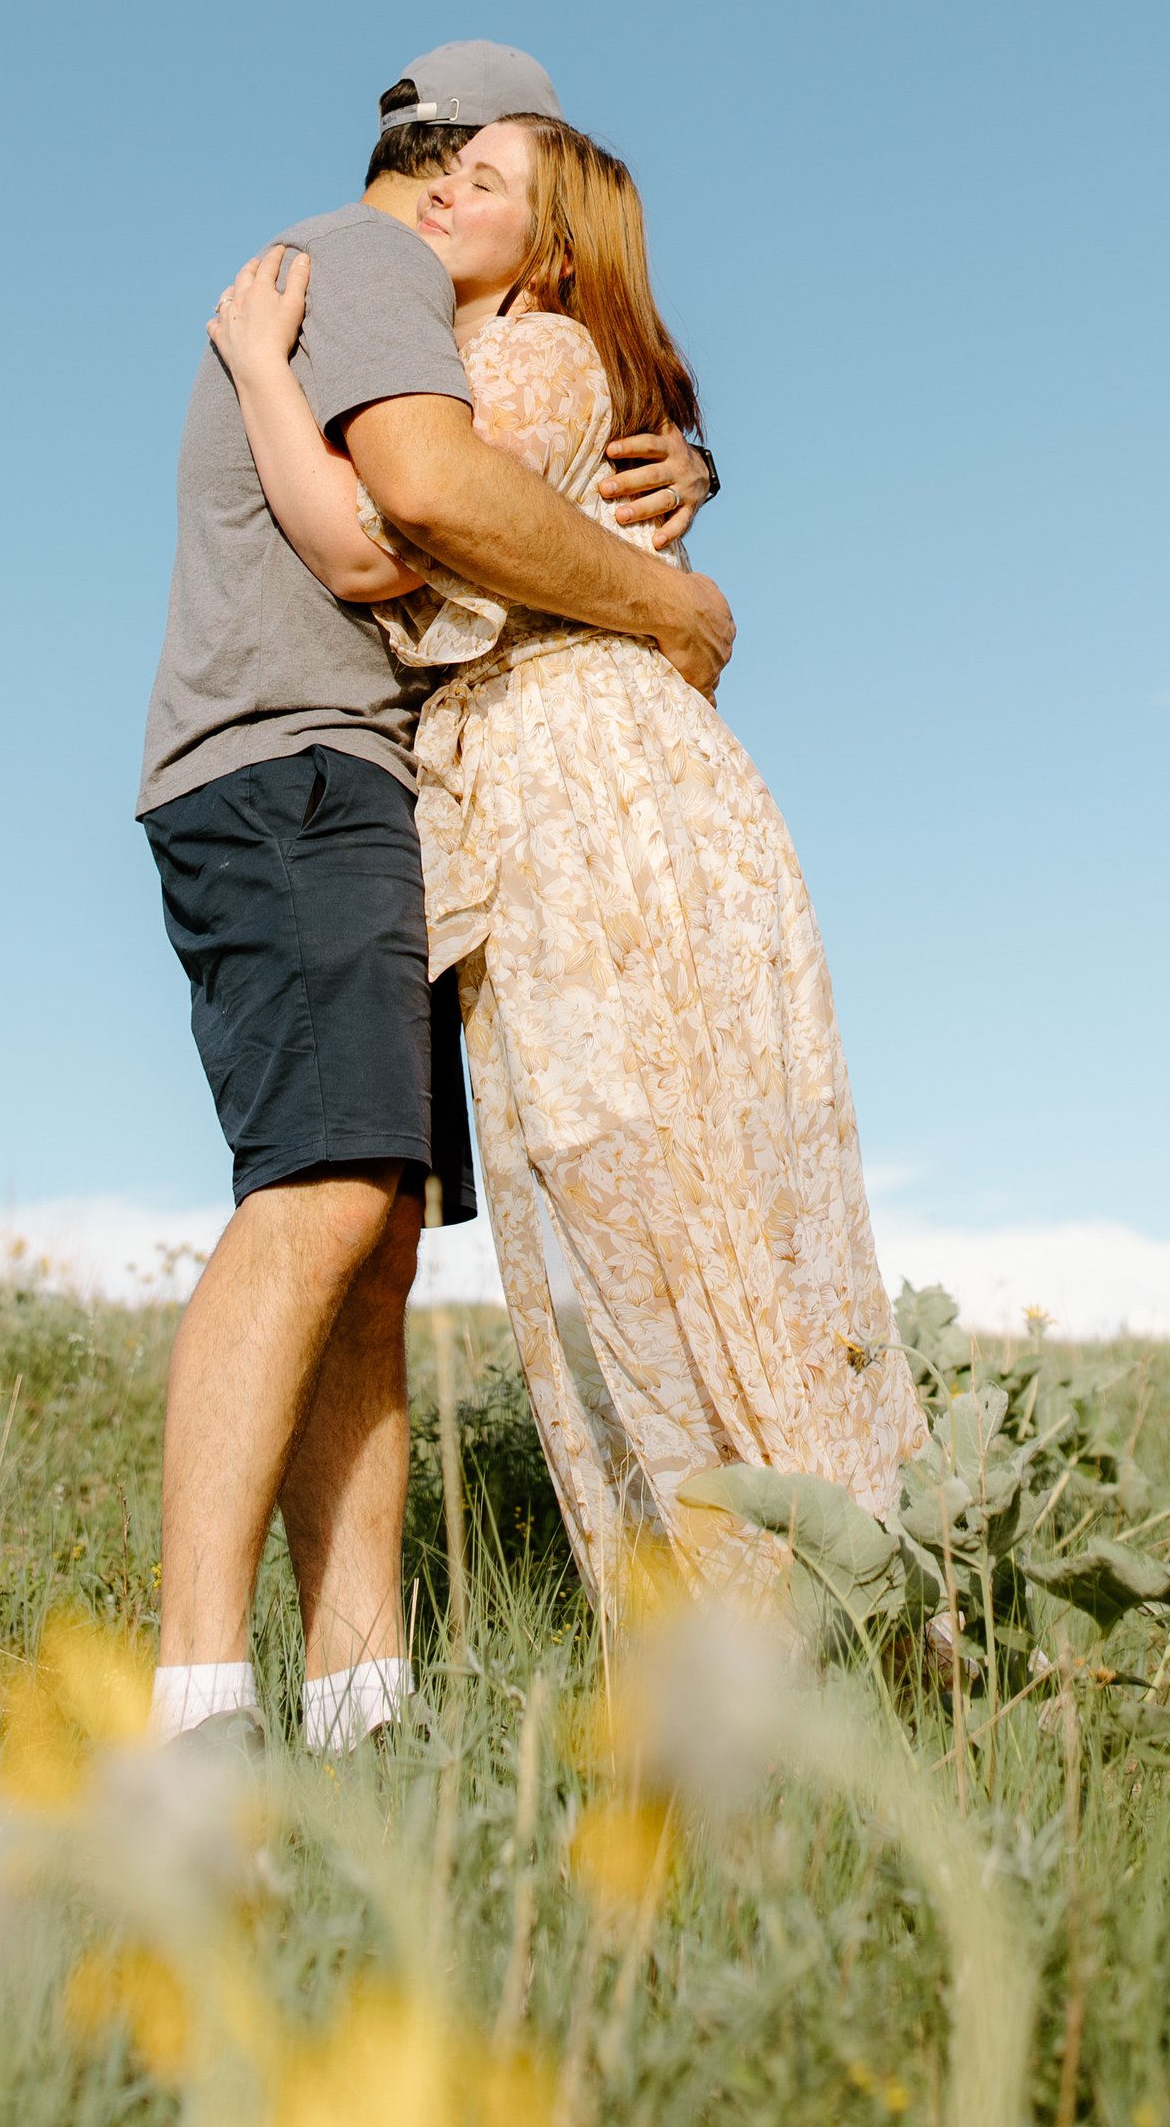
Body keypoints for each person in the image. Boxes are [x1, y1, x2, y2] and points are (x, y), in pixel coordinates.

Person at [210, 113, 923, 1607]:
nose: (443, 190)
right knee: (652, 1188)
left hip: (587, 787)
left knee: (644, 1183)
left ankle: (767, 1602)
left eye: (486, 183)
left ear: (551, 247)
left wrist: (265, 369)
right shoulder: (502, 362)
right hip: (562, 775)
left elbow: (378, 529)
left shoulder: (525, 356)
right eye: (444, 168)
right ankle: (796, 1593)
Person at [137, 42, 728, 1754]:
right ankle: (192, 1704)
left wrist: (678, 459)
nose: (497, 222)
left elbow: (528, 455)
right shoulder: (373, 260)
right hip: (292, 767)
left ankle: (360, 1693)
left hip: (351, 784)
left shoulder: (393, 295)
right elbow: (405, 515)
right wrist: (670, 607)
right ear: (458, 165)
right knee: (321, 1200)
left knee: (376, 1233)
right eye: (496, 179)